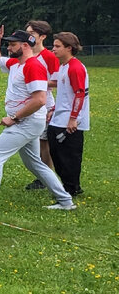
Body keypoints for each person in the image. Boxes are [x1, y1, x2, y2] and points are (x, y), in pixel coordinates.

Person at [0, 26, 75, 217]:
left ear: (25, 46)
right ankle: (65, 201)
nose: (9, 48)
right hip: (27, 122)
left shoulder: (33, 66)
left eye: (12, 44)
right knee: (35, 163)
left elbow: (40, 99)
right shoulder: (15, 65)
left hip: (27, 122)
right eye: (8, 44)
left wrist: (14, 117)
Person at [47, 31, 89, 198]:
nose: (53, 49)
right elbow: (65, 93)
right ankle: (66, 184)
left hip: (70, 121)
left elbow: (79, 94)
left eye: (57, 46)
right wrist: (54, 108)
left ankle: (72, 187)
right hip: (59, 117)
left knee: (69, 155)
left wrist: (73, 119)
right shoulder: (63, 67)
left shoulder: (75, 67)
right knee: (55, 151)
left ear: (69, 48)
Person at [23, 19, 59, 191]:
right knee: (34, 141)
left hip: (45, 104)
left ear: (42, 37)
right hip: (29, 103)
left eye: (32, 34)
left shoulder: (49, 57)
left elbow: (59, 81)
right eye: (27, 33)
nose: (29, 37)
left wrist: (39, 83)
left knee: (44, 142)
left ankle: (45, 179)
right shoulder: (27, 55)